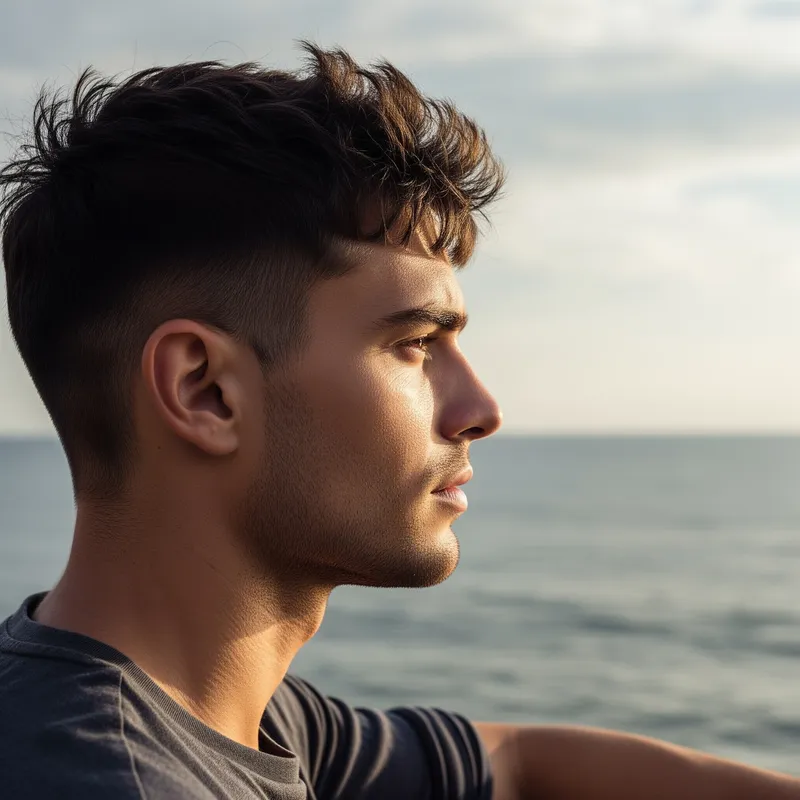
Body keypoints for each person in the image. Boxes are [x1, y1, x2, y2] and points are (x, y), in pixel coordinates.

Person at [0, 41, 797, 800]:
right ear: (205, 390)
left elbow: (513, 765)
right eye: (415, 344)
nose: (482, 410)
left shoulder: (235, 714)